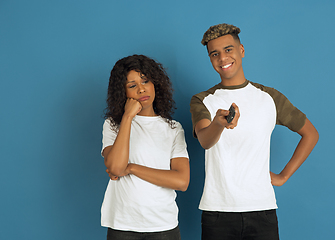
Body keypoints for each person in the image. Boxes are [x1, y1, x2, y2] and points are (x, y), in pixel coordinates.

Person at [190, 23, 319, 240]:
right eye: (215, 54)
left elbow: (310, 134)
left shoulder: (269, 97)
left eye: (228, 50)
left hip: (262, 211)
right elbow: (205, 140)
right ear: (210, 59)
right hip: (217, 213)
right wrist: (218, 124)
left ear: (241, 50)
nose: (222, 58)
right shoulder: (202, 100)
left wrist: (283, 176)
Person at [101, 54, 190, 240]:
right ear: (122, 92)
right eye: (132, 85)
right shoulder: (112, 125)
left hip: (163, 226)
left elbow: (182, 181)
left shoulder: (173, 129)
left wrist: (132, 168)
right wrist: (127, 117)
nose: (141, 89)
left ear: (155, 83)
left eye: (145, 81)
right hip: (122, 226)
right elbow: (116, 168)